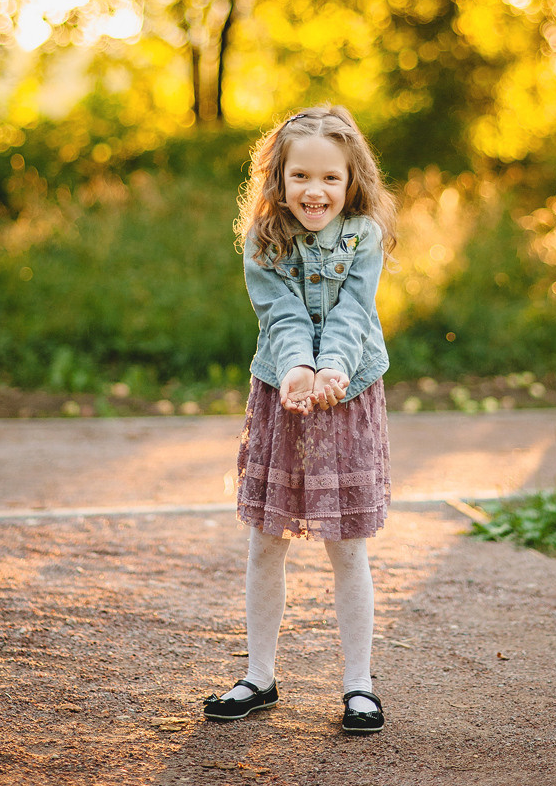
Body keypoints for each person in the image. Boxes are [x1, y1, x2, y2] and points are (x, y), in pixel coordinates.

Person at [203, 105, 396, 735]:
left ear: (352, 180)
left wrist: (332, 369)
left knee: (348, 547)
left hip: (349, 390)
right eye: (301, 177)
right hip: (281, 390)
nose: (315, 191)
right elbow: (280, 313)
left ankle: (358, 686)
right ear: (279, 180)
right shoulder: (264, 239)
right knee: (267, 541)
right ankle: (259, 676)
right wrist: (296, 371)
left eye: (331, 179)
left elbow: (353, 314)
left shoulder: (363, 235)